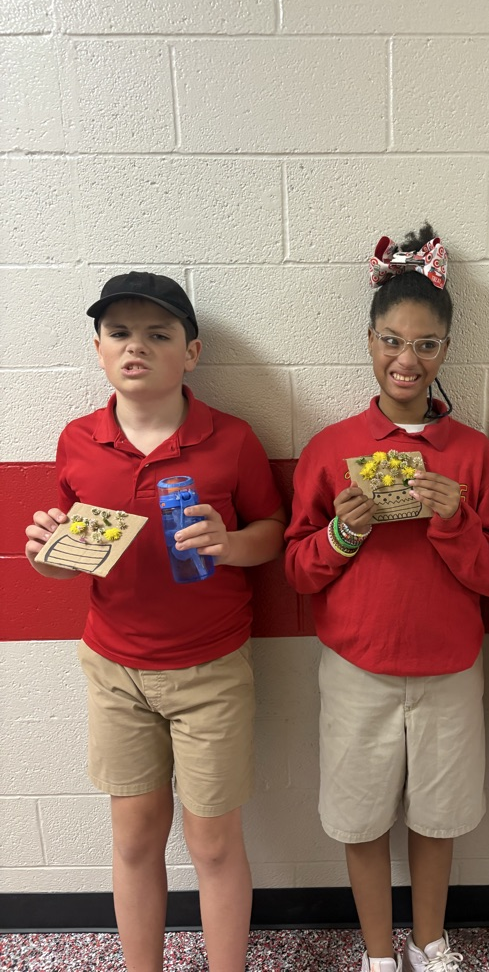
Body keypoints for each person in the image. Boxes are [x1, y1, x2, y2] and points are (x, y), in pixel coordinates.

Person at [24, 272, 286, 972]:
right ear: (99, 348)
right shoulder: (79, 441)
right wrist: (47, 556)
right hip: (115, 670)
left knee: (213, 843)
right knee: (135, 838)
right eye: (119, 333)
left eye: (157, 334)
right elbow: (66, 563)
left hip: (211, 672)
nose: (135, 347)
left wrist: (229, 544)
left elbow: (273, 529)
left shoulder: (230, 440)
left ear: (191, 353)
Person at [285, 226, 489, 972]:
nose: (406, 359)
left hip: (451, 669)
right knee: (359, 818)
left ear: (446, 351)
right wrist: (342, 535)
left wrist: (454, 521)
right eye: (391, 340)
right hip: (357, 669)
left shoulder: (476, 455)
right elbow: (297, 571)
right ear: (369, 340)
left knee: (440, 816)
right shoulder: (330, 449)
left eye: (425, 345)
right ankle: (378, 954)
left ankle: (430, 942)